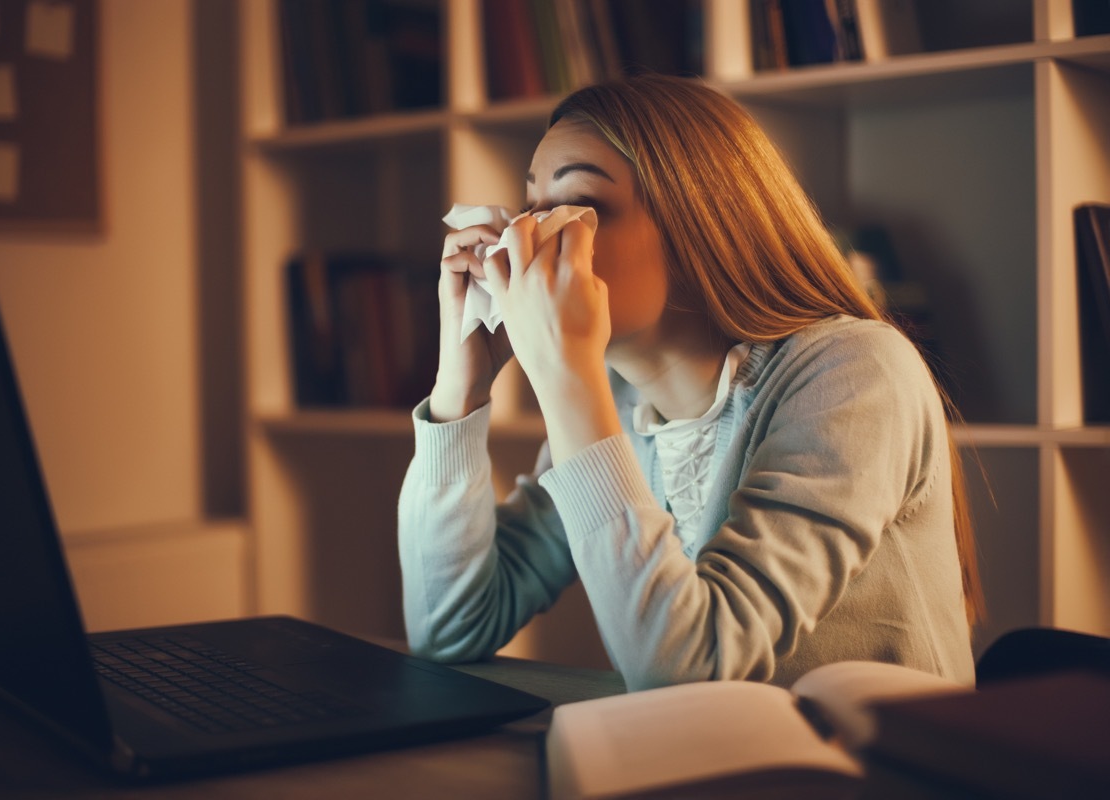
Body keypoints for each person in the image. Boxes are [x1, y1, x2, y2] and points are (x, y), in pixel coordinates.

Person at [398, 73, 981, 691]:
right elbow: (449, 628)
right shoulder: (619, 401)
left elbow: (689, 671)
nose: (523, 243)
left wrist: (566, 379)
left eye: (575, 207)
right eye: (528, 208)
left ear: (700, 228)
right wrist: (459, 390)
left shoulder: (857, 372)